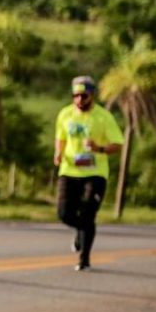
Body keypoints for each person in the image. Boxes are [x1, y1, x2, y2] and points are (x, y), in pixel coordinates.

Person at [53, 75, 123, 271]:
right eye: (75, 96)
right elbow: (60, 137)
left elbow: (117, 144)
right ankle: (80, 230)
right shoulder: (65, 114)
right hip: (69, 170)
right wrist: (58, 152)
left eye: (84, 96)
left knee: (87, 214)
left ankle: (84, 259)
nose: (79, 100)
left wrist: (99, 148)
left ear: (92, 95)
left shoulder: (103, 117)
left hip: (95, 173)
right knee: (64, 213)